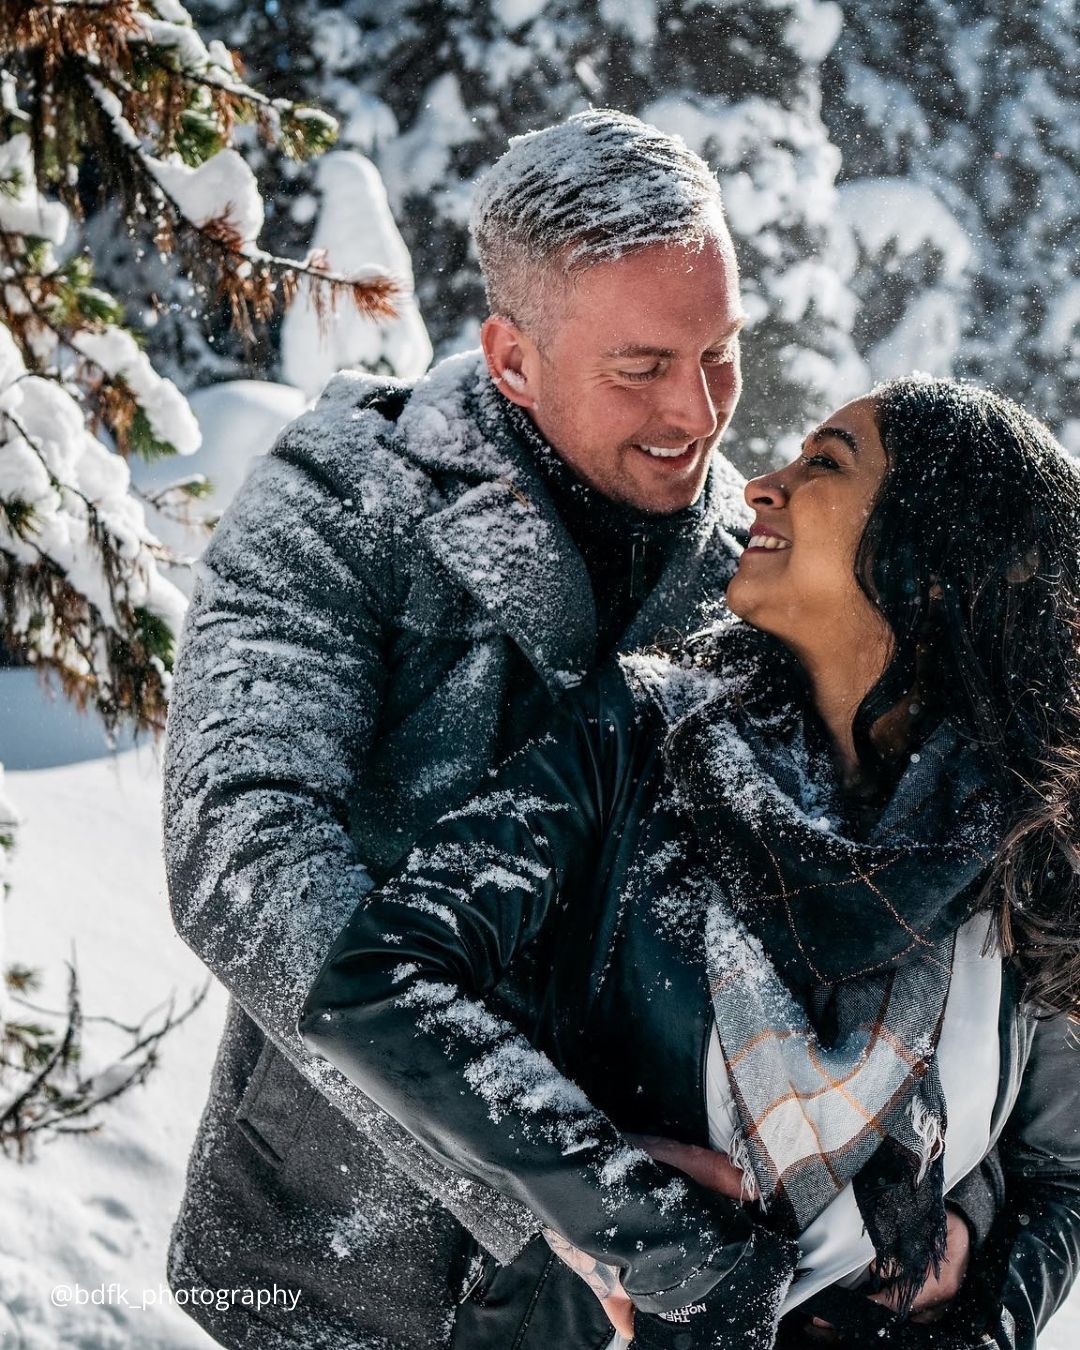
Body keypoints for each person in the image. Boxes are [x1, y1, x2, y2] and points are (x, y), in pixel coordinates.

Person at [301, 377, 1080, 1350]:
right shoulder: (640, 737)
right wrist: (658, 1232)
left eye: (825, 464)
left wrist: (978, 1316)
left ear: (942, 551)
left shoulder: (1028, 847)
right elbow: (376, 979)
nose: (760, 484)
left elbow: (1063, 1176)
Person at [163, 109, 757, 1350]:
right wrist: (564, 1183)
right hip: (340, 1261)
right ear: (512, 358)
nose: (698, 412)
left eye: (723, 351)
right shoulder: (342, 493)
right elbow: (245, 853)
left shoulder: (760, 566)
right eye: (642, 366)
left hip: (651, 1301)